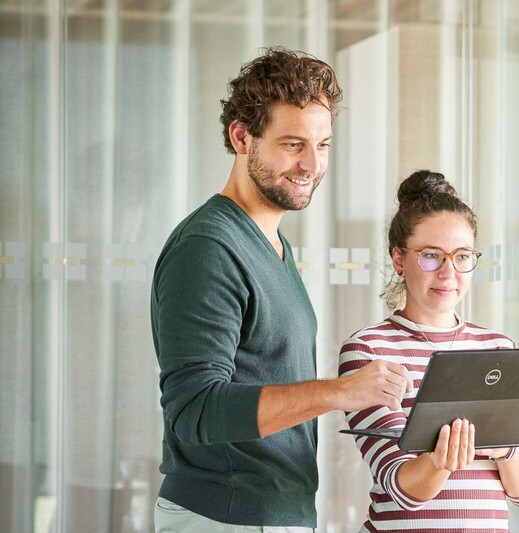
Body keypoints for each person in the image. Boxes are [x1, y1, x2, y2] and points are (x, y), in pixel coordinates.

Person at [150, 47, 411, 533]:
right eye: (293, 144)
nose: (312, 164)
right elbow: (195, 409)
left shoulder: (272, 243)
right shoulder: (209, 248)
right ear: (242, 137)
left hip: (268, 515)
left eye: (323, 144)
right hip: (226, 517)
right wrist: (339, 392)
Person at [338, 170, 519, 532]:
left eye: (462, 256)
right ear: (399, 259)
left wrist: (504, 448)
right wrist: (443, 458)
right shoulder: (369, 350)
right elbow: (403, 489)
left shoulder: (499, 348)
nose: (448, 272)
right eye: (431, 256)